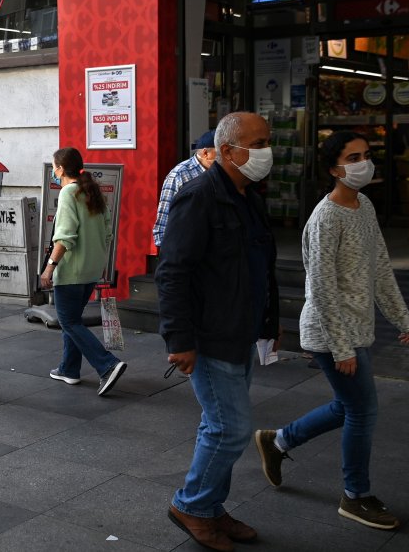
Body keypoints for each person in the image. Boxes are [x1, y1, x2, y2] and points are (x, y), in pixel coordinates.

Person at [252, 131, 409, 531]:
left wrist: (401, 316)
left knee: (349, 407)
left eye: (366, 155)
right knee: (363, 411)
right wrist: (341, 347)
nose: (363, 163)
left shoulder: (364, 206)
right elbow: (320, 288)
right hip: (330, 333)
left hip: (357, 328)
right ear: (333, 169)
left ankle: (278, 442)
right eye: (353, 157)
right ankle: (355, 496)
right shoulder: (325, 218)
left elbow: (380, 267)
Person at [156, 111, 278, 552]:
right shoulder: (198, 196)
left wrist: (268, 324)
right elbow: (172, 272)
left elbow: (261, 267)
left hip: (240, 330)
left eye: (268, 141)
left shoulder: (248, 196)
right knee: (231, 428)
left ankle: (209, 507)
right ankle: (191, 504)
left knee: (219, 425)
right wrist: (180, 340)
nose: (268, 151)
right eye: (259, 143)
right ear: (228, 151)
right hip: (208, 337)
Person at [38, 147, 127, 397]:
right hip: (91, 270)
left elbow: (65, 237)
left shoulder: (68, 193)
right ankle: (69, 368)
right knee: (73, 320)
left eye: (55, 167)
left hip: (71, 272)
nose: (54, 172)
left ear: (60, 169)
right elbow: (107, 232)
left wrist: (49, 268)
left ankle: (107, 365)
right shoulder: (91, 191)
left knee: (69, 321)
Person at [152, 129, 218, 248]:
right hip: (186, 249)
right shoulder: (180, 174)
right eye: (220, 154)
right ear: (205, 153)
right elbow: (163, 221)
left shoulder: (222, 173)